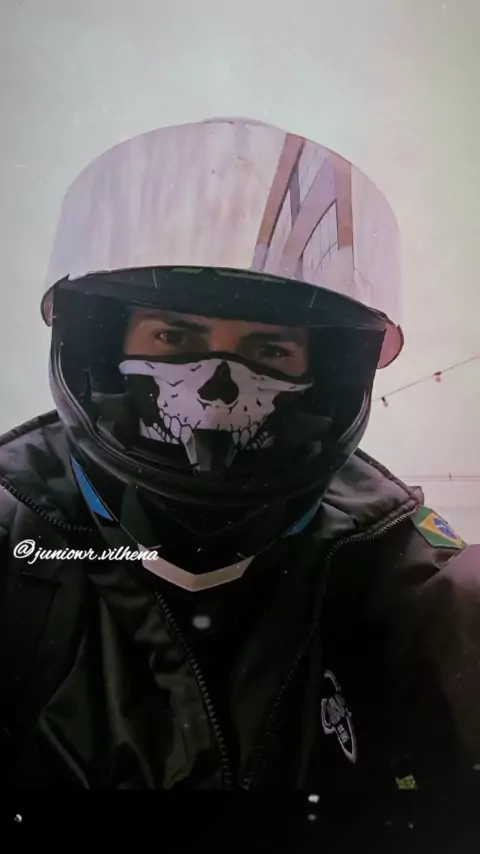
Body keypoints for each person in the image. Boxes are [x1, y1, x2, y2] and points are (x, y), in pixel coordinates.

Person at [1, 118, 479, 839]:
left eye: (270, 351)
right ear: (101, 347)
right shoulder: (18, 541)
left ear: (323, 378)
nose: (219, 389)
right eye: (175, 337)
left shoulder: (411, 585)